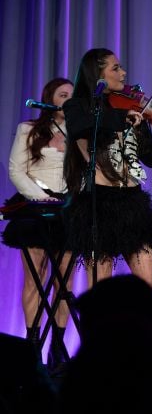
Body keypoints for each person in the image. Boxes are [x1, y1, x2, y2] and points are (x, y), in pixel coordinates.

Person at [62, 48, 152, 289]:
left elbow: (150, 157)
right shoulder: (78, 106)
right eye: (115, 68)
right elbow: (79, 127)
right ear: (97, 73)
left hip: (133, 202)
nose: (123, 73)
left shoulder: (132, 109)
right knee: (101, 287)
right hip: (97, 202)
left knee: (149, 283)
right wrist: (121, 116)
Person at [2, 78, 75, 365]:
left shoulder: (78, 134)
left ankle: (57, 346)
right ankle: (32, 347)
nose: (68, 100)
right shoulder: (28, 129)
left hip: (67, 209)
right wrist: (41, 198)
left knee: (64, 283)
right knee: (35, 278)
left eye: (72, 95)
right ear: (50, 99)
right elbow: (16, 170)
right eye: (63, 95)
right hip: (35, 208)